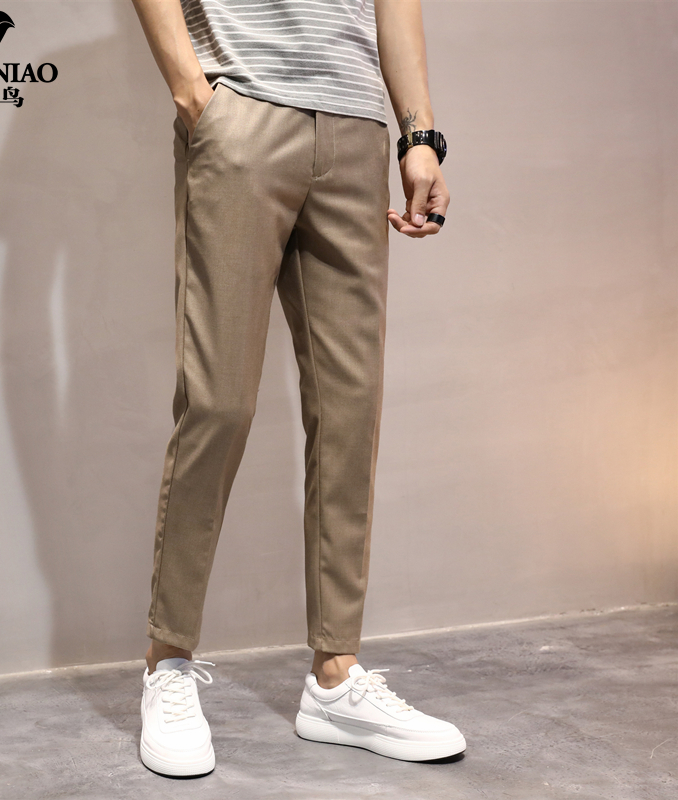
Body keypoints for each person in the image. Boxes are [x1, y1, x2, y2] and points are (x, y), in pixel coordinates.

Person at [130, 0, 461, 777]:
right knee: (219, 402)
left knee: (351, 409)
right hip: (242, 110)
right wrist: (192, 92)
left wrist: (417, 135)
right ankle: (167, 662)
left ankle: (335, 678)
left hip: (356, 128)